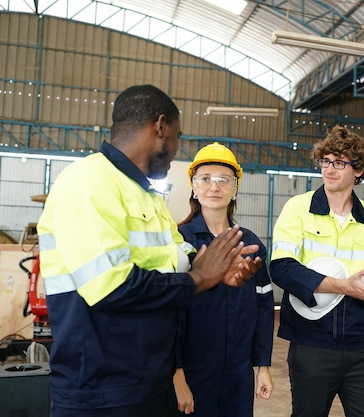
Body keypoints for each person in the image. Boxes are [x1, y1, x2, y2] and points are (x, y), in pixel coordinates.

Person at [37, 84, 261, 417]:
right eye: (177, 136)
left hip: (149, 382)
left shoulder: (147, 197)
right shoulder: (88, 181)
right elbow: (110, 287)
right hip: (102, 391)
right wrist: (200, 278)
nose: (175, 150)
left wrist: (215, 269)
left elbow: (177, 259)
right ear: (159, 127)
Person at [269, 125, 364, 417]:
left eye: (339, 163)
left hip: (360, 345)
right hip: (310, 344)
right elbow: (281, 269)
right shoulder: (298, 209)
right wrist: (344, 285)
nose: (329, 169)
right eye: (325, 161)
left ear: (358, 170)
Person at [173, 142, 275, 416]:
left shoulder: (250, 244)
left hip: (238, 371)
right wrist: (177, 373)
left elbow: (264, 307)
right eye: (204, 179)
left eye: (223, 180)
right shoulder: (180, 241)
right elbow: (168, 312)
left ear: (235, 188)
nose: (214, 187)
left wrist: (262, 365)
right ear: (193, 187)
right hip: (194, 368)